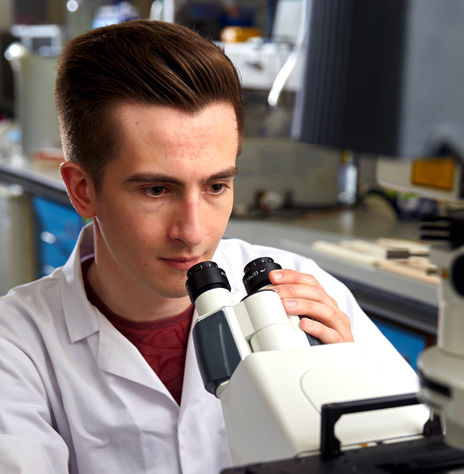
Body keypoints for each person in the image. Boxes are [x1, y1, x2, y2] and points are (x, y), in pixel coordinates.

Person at [0, 20, 419, 474]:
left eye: (216, 186)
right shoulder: (17, 346)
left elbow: (422, 452)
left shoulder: (308, 295)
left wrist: (353, 397)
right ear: (83, 190)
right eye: (156, 190)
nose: (194, 232)